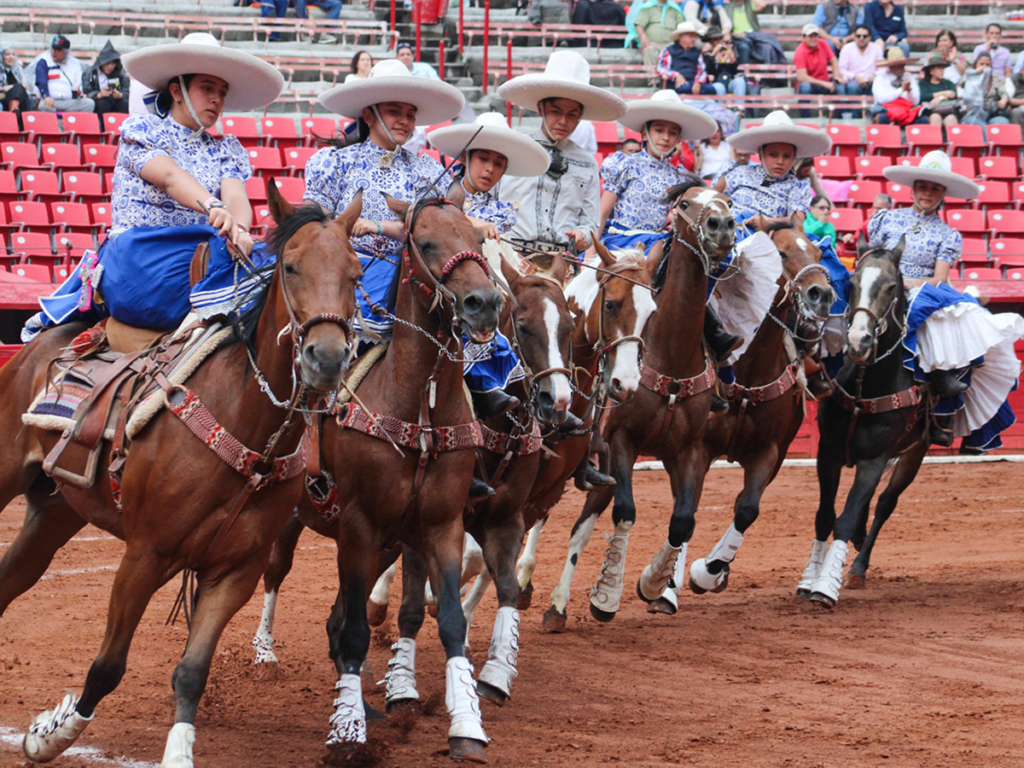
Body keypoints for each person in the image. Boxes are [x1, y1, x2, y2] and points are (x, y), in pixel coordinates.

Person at [22, 33, 284, 341]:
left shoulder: (224, 148)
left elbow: (236, 195)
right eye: (207, 88)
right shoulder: (143, 130)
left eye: (222, 92)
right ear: (176, 90)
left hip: (202, 253)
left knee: (285, 264)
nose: (216, 99)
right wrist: (213, 206)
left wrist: (238, 229)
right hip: (143, 255)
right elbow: (170, 177)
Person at [872, 151, 1024, 450]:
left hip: (921, 291)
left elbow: (939, 278)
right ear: (913, 186)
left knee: (951, 318)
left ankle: (940, 406)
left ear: (943, 194)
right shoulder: (886, 220)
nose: (928, 192)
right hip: (881, 286)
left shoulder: (947, 234)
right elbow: (872, 259)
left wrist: (908, 284)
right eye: (923, 186)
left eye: (935, 188)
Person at [303, 59, 463, 341]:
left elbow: (429, 236)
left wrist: (376, 225)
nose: (404, 120)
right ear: (369, 115)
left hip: (406, 281)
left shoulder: (426, 171)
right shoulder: (335, 162)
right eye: (394, 111)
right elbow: (313, 225)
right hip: (343, 276)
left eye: (410, 114)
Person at [496, 50, 627, 255]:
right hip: (512, 258)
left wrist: (583, 235)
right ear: (541, 109)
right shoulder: (512, 150)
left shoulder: (587, 163)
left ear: (580, 117)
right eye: (556, 112)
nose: (563, 121)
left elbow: (590, 221)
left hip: (562, 262)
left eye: (571, 114)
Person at [599, 90, 717, 254]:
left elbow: (679, 214)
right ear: (644, 134)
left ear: (678, 140)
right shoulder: (625, 164)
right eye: (659, 130)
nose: (665, 137)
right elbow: (602, 213)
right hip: (623, 242)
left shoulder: (678, 176)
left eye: (672, 133)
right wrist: (590, 255)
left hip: (657, 244)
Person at [794, 24, 846, 117]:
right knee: (805, 87)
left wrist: (836, 76)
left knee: (840, 87)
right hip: (813, 84)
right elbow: (802, 77)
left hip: (824, 83)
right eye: (810, 36)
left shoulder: (822, 43)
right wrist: (825, 83)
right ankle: (805, 117)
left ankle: (839, 117)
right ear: (803, 37)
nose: (814, 38)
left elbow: (834, 60)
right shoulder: (799, 52)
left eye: (815, 36)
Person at [34, 35, 94, 114]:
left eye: (58, 49)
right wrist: (47, 96)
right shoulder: (44, 62)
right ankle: (57, 126)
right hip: (51, 100)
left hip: (69, 101)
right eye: (53, 48)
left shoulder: (74, 64)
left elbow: (78, 85)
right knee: (44, 106)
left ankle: (75, 125)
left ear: (65, 52)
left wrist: (78, 93)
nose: (54, 52)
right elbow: (41, 81)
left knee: (89, 104)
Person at [657, 21, 717, 95]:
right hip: (676, 83)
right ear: (681, 37)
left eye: (694, 36)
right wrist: (676, 76)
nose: (693, 39)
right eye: (691, 36)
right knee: (684, 89)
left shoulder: (697, 52)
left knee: (711, 89)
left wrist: (698, 82)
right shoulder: (668, 50)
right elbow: (661, 68)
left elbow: (702, 70)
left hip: (694, 82)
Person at [872, 48, 924, 125]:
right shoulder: (880, 79)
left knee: (923, 119)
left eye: (903, 64)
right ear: (891, 66)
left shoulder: (910, 78)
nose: (902, 67)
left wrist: (909, 91)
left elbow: (916, 101)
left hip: (907, 112)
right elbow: (881, 99)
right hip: (887, 111)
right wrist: (901, 90)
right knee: (881, 117)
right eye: (898, 65)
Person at [838, 24, 882, 115]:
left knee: (879, 85)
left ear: (869, 37)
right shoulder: (847, 48)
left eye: (864, 36)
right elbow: (841, 69)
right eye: (858, 36)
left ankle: (874, 116)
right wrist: (854, 77)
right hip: (854, 82)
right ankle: (855, 117)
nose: (861, 38)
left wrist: (875, 75)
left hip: (871, 82)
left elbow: (882, 68)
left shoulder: (877, 48)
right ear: (854, 37)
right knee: (852, 87)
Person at [82, 41, 130, 121]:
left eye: (113, 64)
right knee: (103, 103)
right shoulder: (90, 73)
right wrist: (98, 95)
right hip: (99, 102)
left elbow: (127, 92)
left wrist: (120, 95)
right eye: (107, 63)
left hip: (116, 101)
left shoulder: (121, 74)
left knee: (124, 103)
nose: (110, 66)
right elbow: (86, 93)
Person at [632, 0, 685, 67]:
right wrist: (643, 36)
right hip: (652, 43)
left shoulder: (674, 8)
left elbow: (682, 26)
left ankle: (670, 76)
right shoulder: (648, 7)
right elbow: (639, 26)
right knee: (648, 50)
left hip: (671, 43)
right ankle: (653, 77)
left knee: (678, 51)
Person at [703, 26, 747, 104]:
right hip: (715, 82)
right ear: (710, 41)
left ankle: (739, 109)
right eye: (715, 40)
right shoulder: (706, 54)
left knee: (739, 81)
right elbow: (708, 70)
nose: (718, 42)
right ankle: (721, 111)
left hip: (729, 81)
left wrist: (732, 59)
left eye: (720, 38)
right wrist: (713, 54)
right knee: (720, 87)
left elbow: (734, 71)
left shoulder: (728, 51)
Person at [919, 55, 960, 127]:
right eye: (938, 68)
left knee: (951, 119)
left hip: (948, 111)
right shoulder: (923, 84)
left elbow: (953, 94)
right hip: (930, 113)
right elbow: (923, 96)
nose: (942, 70)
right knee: (935, 118)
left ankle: (953, 138)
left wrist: (940, 98)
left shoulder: (948, 83)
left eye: (942, 68)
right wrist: (944, 94)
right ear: (931, 70)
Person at [0, 46, 34, 127]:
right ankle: (13, 107)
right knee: (18, 87)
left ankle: (14, 107)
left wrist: (7, 89)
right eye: (7, 54)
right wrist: (13, 88)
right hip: (4, 103)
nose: (11, 57)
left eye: (13, 54)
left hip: (22, 104)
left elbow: (25, 87)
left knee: (19, 88)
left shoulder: (19, 70)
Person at [727, 0, 765, 65]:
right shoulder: (727, 8)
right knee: (744, 47)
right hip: (738, 38)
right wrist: (733, 34)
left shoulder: (749, 5)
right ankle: (744, 72)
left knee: (767, 46)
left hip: (753, 35)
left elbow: (762, 5)